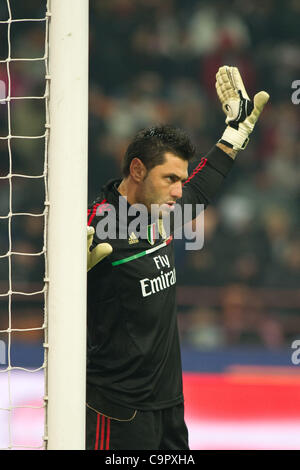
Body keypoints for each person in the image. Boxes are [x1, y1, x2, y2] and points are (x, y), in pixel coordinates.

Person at [85, 66, 269, 450]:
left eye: (180, 180)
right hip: (116, 411)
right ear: (137, 170)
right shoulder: (96, 226)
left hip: (169, 404)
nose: (178, 191)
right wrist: (67, 272)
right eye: (170, 179)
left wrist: (236, 131)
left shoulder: (162, 213)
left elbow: (202, 188)